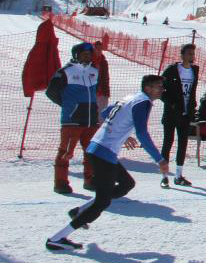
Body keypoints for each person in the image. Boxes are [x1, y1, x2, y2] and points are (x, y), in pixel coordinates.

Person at [45, 75, 170, 251]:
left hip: (99, 148)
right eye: (159, 86)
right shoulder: (143, 103)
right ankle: (57, 238)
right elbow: (142, 133)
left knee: (127, 183)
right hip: (104, 152)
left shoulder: (131, 98)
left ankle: (80, 211)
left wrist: (123, 133)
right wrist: (160, 159)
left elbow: (105, 113)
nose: (162, 89)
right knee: (102, 202)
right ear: (148, 88)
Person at [46, 42, 99, 194]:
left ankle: (90, 180)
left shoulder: (94, 71)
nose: (87, 57)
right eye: (84, 54)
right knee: (65, 152)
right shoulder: (65, 72)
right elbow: (51, 92)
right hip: (72, 121)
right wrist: (69, 105)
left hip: (91, 120)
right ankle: (61, 183)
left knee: (91, 152)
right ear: (76, 55)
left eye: (89, 54)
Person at [160, 43, 199, 187]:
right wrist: (172, 103)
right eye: (188, 54)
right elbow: (161, 90)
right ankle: (164, 176)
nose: (191, 56)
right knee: (167, 143)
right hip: (171, 114)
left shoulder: (194, 71)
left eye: (192, 54)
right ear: (182, 55)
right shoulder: (172, 70)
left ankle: (178, 175)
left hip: (185, 114)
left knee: (183, 143)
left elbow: (192, 91)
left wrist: (192, 106)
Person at [92, 40, 110, 113]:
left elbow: (106, 77)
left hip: (102, 92)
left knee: (102, 114)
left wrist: (106, 91)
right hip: (92, 92)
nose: (99, 51)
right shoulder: (89, 60)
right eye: (97, 49)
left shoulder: (104, 62)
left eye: (100, 49)